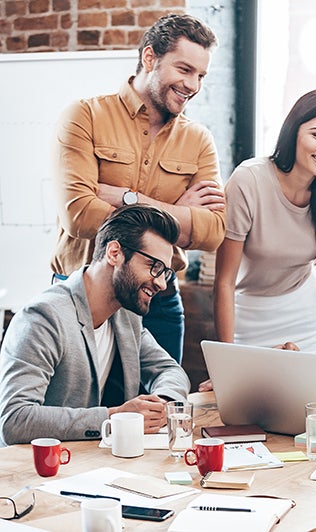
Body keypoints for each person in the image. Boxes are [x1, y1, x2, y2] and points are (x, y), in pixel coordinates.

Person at [51, 13, 226, 364]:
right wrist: (178, 212)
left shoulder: (198, 140)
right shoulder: (84, 117)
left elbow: (213, 232)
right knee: (82, 411)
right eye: (184, 69)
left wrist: (130, 199)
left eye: (201, 75)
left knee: (160, 406)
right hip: (82, 293)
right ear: (150, 57)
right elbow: (79, 215)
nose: (193, 85)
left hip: (157, 299)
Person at [198, 88, 316, 391]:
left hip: (309, 315)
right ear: (293, 132)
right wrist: (225, 364)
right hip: (252, 316)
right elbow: (224, 283)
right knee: (253, 397)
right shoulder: (250, 180)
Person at [0, 205, 190, 446]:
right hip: (38, 473)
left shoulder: (126, 316)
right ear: (114, 253)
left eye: (165, 272)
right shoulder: (44, 317)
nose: (161, 284)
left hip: (90, 465)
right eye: (154, 267)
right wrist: (113, 418)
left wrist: (161, 404)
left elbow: (170, 370)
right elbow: (15, 420)